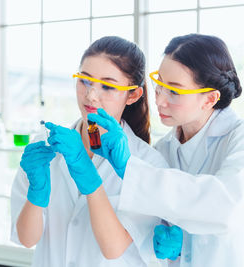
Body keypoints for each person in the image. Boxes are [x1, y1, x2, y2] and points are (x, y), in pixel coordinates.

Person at [85, 33, 244, 267]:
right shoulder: (165, 150)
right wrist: (178, 246)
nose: (159, 101)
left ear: (209, 99)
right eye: (159, 86)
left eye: (175, 92)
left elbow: (227, 209)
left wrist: (132, 170)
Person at [10, 36, 169, 267]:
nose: (91, 95)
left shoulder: (147, 163)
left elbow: (113, 248)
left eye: (107, 86)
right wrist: (37, 193)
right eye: (85, 81)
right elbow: (27, 238)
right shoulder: (46, 146)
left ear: (132, 95)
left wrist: (88, 178)